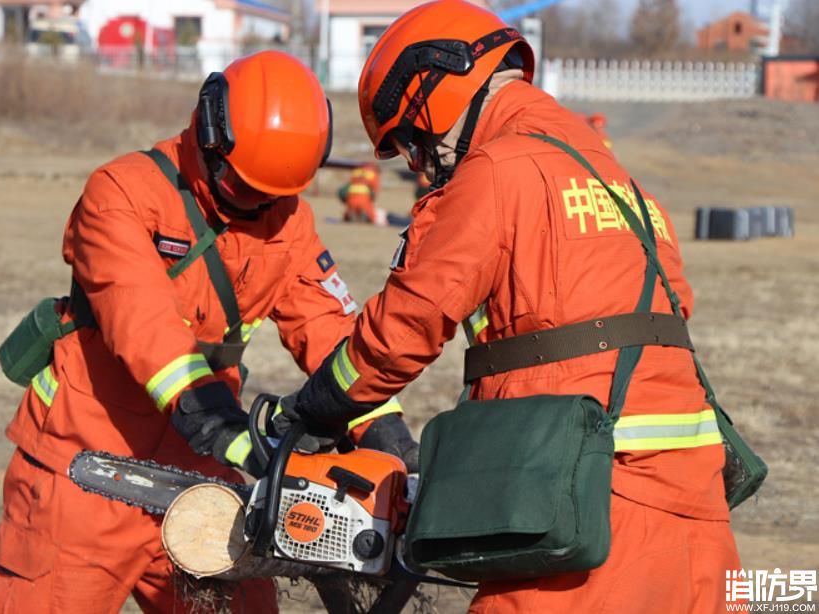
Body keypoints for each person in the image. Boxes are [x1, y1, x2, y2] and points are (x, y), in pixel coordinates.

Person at [275, 2, 739, 612]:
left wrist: (315, 408)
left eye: (413, 144)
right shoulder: (617, 178)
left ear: (433, 86)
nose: (423, 165)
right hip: (696, 511)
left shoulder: (497, 170)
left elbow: (404, 329)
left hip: (582, 505)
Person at [0, 50, 414, 614]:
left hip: (204, 474)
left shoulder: (287, 220)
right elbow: (144, 324)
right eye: (241, 185)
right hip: (84, 463)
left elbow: (327, 324)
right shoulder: (123, 193)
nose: (255, 203)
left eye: (271, 193)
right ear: (210, 131)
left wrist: (383, 427)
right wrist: (222, 426)